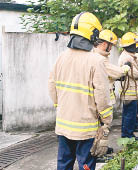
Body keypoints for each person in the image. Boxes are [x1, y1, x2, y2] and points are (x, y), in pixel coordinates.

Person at [48, 12, 113, 170]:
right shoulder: (96, 61)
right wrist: (106, 119)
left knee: (64, 163)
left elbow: (51, 86)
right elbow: (102, 95)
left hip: (64, 124)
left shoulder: (61, 57)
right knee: (86, 164)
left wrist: (60, 106)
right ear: (93, 34)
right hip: (86, 127)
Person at [118, 32, 138, 140]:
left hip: (130, 91)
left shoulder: (129, 56)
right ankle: (127, 136)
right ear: (131, 45)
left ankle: (128, 134)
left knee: (128, 114)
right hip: (129, 92)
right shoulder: (127, 59)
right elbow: (136, 75)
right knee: (129, 115)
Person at [93, 29, 130, 106]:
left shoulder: (97, 55)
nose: (111, 48)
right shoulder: (100, 58)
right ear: (104, 44)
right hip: (104, 100)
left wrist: (115, 78)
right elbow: (118, 71)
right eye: (110, 45)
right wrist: (126, 67)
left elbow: (104, 74)